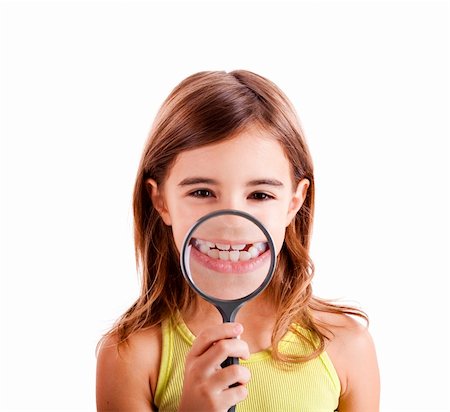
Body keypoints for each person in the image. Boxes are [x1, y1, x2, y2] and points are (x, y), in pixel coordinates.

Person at [96, 70, 380, 411]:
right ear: (161, 201)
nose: (231, 220)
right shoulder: (131, 354)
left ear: (294, 202)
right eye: (202, 192)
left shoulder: (345, 346)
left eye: (259, 195)